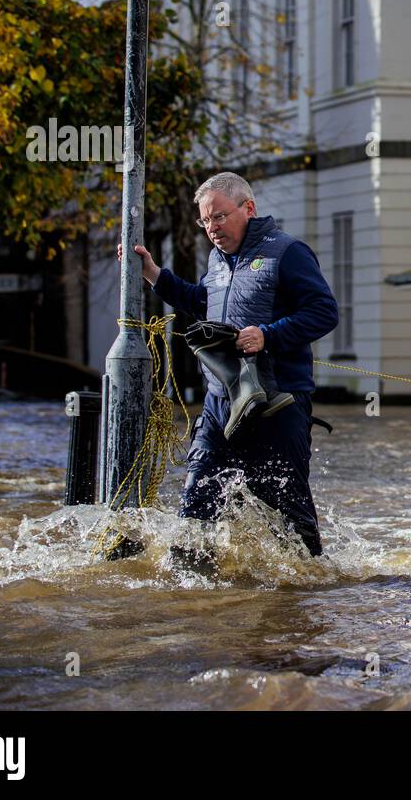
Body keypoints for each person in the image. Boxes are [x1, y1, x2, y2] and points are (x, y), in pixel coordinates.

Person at [118, 172, 338, 558]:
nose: (212, 229)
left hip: (277, 404)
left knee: (290, 519)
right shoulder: (218, 260)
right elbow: (201, 300)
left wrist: (268, 335)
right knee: (195, 509)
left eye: (219, 217)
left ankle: (311, 586)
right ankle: (192, 593)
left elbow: (324, 312)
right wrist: (153, 273)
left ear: (248, 208)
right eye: (205, 221)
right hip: (221, 405)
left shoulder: (287, 252)